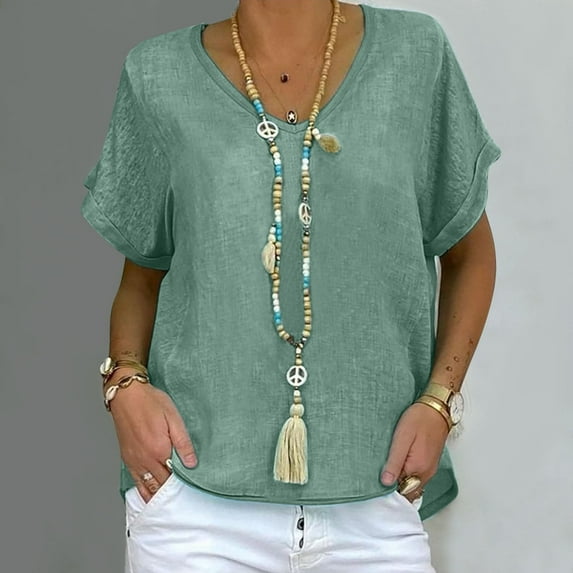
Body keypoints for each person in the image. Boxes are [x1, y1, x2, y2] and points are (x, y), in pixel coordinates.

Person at [81, 1, 502, 571]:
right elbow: (142, 276)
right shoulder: (158, 73)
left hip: (375, 501)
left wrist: (439, 402)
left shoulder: (416, 53)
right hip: (195, 510)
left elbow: (470, 256)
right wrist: (125, 385)